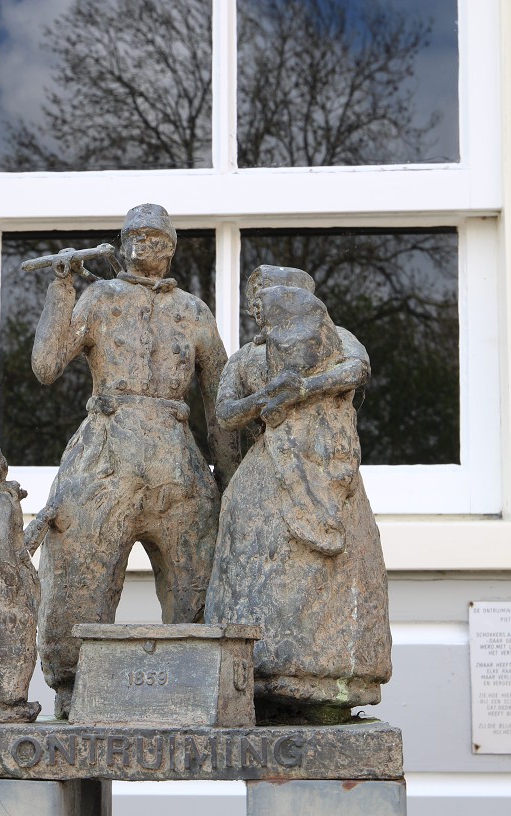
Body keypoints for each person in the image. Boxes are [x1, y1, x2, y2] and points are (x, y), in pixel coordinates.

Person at [31, 204, 239, 716]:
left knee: (196, 587)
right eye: (137, 236)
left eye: (159, 237)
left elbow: (220, 406)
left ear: (172, 248)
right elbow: (46, 366)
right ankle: (72, 692)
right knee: (82, 578)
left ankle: (194, 696)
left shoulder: (194, 312)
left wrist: (233, 479)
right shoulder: (99, 298)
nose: (148, 245)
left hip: (178, 465)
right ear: (121, 244)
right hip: (106, 453)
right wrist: (62, 291)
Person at [205, 267, 391, 724]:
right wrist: (265, 399)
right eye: (256, 298)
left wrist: (304, 388)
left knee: (334, 570)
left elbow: (357, 369)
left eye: (269, 296)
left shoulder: (336, 337)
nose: (260, 305)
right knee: (253, 561)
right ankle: (254, 673)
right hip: (267, 469)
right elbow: (226, 412)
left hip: (327, 464)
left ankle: (328, 678)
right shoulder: (245, 360)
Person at [0, 440, 56, 723]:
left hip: (6, 586)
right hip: (4, 592)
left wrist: (42, 520)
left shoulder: (3, 498)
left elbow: (20, 546)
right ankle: (4, 706)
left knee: (19, 646)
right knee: (9, 647)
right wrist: (14, 580)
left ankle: (11, 703)